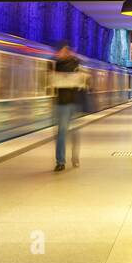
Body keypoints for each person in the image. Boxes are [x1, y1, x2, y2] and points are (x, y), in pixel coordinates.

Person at [51, 43, 88, 172]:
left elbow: (82, 82)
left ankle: (74, 157)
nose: (58, 53)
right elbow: (51, 82)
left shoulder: (76, 65)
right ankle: (60, 161)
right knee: (61, 133)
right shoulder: (55, 64)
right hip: (60, 102)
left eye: (61, 51)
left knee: (73, 132)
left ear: (66, 51)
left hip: (73, 102)